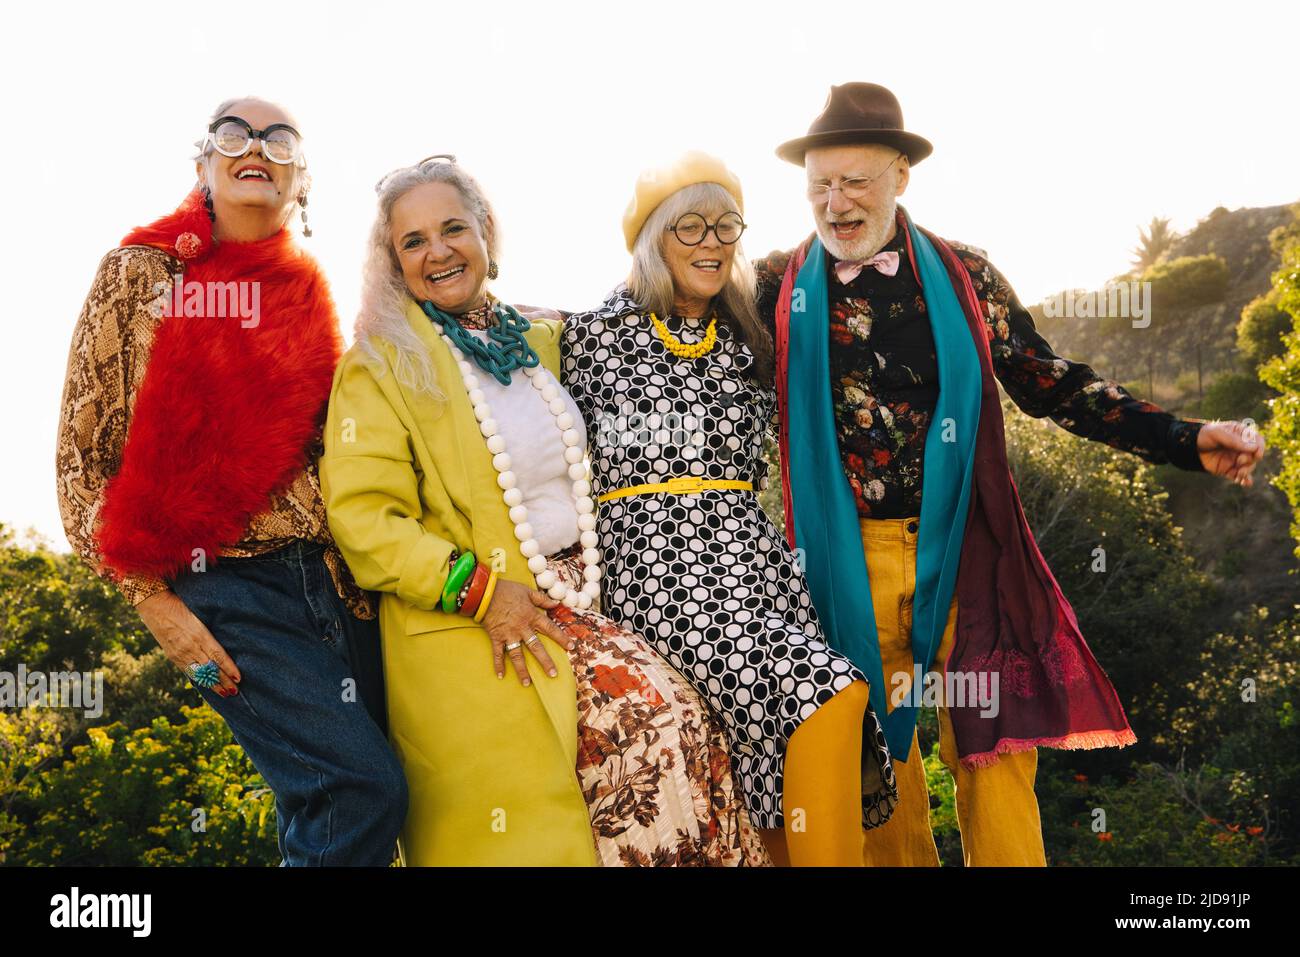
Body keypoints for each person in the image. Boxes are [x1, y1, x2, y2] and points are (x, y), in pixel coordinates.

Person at [756, 81, 1268, 866]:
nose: (836, 202)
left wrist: (1185, 437)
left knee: (995, 756)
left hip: (968, 553)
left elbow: (1054, 383)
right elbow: (676, 325)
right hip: (841, 559)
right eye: (819, 185)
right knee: (875, 769)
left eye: (855, 180)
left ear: (901, 175)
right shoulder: (771, 289)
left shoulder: (966, 277)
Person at [319, 155, 769, 867]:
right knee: (648, 730)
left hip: (579, 601)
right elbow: (366, 522)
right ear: (393, 262)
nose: (438, 251)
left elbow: (636, 321)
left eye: (453, 228)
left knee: (694, 726)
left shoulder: (535, 339)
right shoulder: (381, 365)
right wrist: (484, 591)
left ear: (487, 236)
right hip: (480, 623)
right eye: (413, 241)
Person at [55, 97, 406, 866]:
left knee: (332, 815)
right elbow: (82, 456)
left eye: (280, 139)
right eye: (234, 133)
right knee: (360, 789)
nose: (257, 146)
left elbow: (339, 453)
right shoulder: (140, 273)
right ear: (204, 166)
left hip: (339, 587)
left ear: (301, 181)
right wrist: (152, 604)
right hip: (228, 588)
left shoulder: (309, 296)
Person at [561, 152, 899, 867]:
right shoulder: (591, 335)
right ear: (653, 238)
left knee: (781, 747)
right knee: (825, 687)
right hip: (660, 567)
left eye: (725, 225)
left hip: (754, 564)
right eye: (690, 226)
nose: (712, 242)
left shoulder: (749, 338)